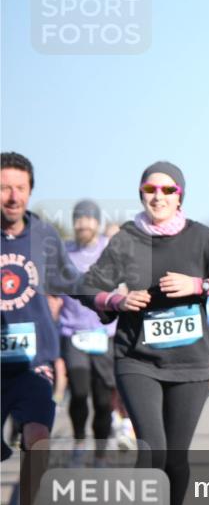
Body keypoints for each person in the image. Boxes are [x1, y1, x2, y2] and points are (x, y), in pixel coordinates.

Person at [80, 161, 209, 505]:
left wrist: (200, 286)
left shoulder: (202, 237)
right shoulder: (127, 240)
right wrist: (116, 302)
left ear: (180, 195)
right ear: (141, 194)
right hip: (137, 360)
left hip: (190, 364)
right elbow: (87, 287)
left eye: (167, 189)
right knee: (151, 450)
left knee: (175, 457)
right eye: (150, 189)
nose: (158, 196)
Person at [1, 152, 85, 505]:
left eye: (19, 187)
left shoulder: (45, 237)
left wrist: (111, 299)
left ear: (30, 190)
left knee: (38, 438)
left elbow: (72, 283)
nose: (12, 196)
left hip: (35, 359)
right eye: (4, 187)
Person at [58, 199, 117, 467]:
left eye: (88, 218)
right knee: (80, 392)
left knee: (104, 400)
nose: (83, 223)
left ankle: (101, 453)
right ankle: (80, 440)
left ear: (98, 222)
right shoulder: (63, 253)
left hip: (105, 334)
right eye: (78, 218)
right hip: (73, 333)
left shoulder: (110, 250)